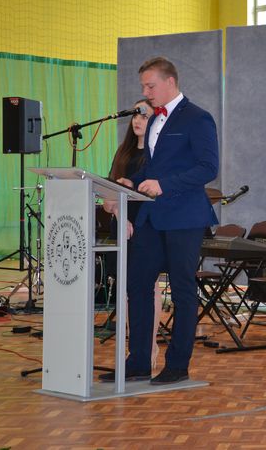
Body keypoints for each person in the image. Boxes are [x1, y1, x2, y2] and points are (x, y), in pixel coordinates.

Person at [100, 56, 219, 385]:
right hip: (152, 216)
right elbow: (152, 169)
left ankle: (177, 365)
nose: (146, 92)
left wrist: (165, 185)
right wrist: (130, 182)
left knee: (182, 290)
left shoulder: (198, 118)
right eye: (143, 86)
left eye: (150, 86)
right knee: (136, 284)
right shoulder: (154, 122)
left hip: (184, 216)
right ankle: (137, 362)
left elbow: (209, 168)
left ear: (170, 82)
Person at [102, 98, 164, 370]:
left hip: (147, 227)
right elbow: (108, 197)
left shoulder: (157, 155)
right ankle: (134, 352)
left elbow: (150, 194)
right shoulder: (123, 153)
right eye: (135, 115)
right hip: (123, 226)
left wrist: (126, 212)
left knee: (148, 288)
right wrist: (118, 213)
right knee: (128, 291)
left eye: (145, 115)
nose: (138, 120)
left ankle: (149, 348)